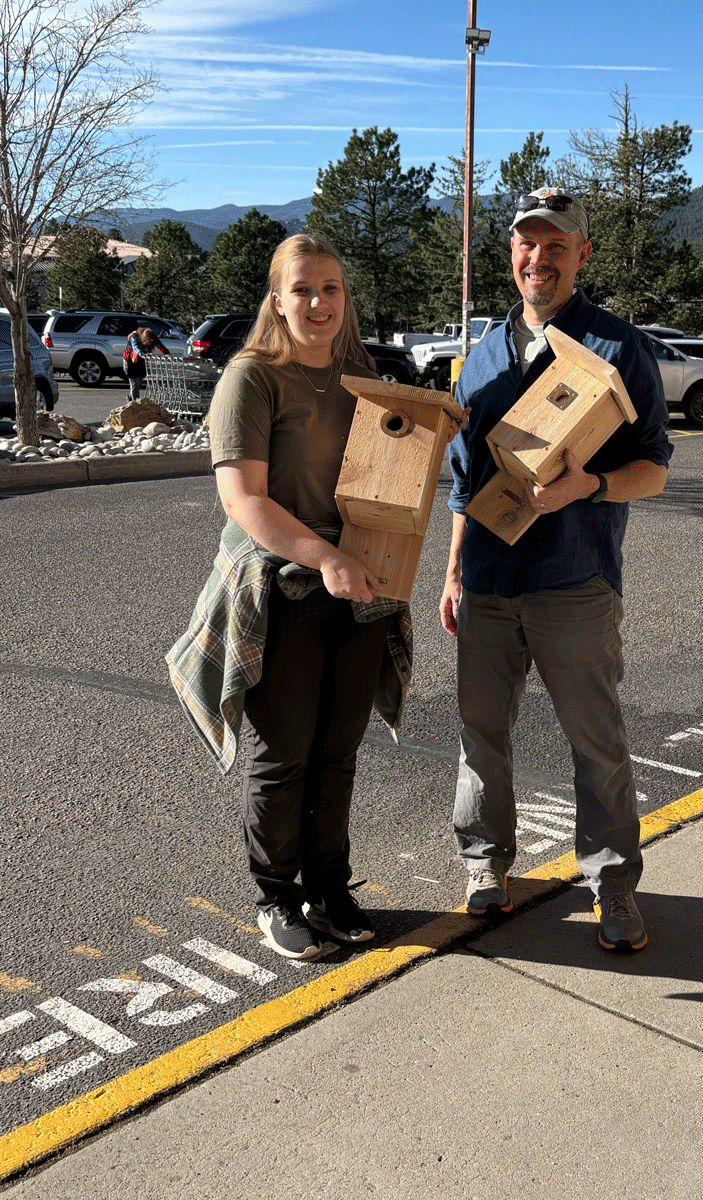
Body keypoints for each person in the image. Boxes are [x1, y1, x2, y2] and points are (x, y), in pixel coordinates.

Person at [440, 187, 672, 951]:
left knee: (596, 742)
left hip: (575, 583)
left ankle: (612, 887)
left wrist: (591, 486)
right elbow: (463, 482)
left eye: (553, 244)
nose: (536, 257)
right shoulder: (481, 353)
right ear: (511, 251)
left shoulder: (615, 347)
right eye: (525, 243)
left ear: (582, 254)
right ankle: (485, 864)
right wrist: (451, 574)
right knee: (481, 736)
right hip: (488, 583)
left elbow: (654, 470)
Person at [167, 233, 410, 962]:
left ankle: (329, 886)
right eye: (303, 289)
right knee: (283, 757)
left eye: (331, 289)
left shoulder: (360, 371)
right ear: (277, 300)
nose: (318, 303)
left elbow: (392, 464)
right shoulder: (251, 378)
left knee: (339, 752)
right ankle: (276, 895)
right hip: (282, 588)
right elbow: (243, 499)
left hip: (358, 583)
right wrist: (323, 556)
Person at [123, 327, 170, 401]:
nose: (150, 343)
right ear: (144, 338)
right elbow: (136, 348)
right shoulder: (134, 337)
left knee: (139, 382)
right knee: (134, 383)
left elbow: (160, 345)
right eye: (148, 341)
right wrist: (144, 354)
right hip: (130, 361)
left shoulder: (152, 337)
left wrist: (167, 353)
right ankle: (135, 403)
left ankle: (131, 397)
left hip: (141, 361)